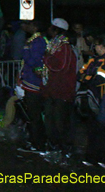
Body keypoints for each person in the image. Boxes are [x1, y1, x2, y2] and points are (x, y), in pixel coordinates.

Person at [78, 33, 105, 169]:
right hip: (92, 99)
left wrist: (87, 78)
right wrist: (88, 77)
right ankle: (91, 157)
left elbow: (101, 79)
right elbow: (80, 73)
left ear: (101, 46)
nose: (94, 48)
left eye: (95, 45)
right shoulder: (94, 60)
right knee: (92, 130)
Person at [42, 18, 77, 153]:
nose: (49, 29)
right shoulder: (55, 45)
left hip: (61, 90)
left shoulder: (64, 47)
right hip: (53, 89)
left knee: (60, 121)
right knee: (51, 120)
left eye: (51, 27)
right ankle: (54, 145)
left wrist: (47, 58)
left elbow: (61, 67)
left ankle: (64, 148)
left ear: (56, 29)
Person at [19, 19, 47, 152]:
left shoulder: (37, 42)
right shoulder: (37, 41)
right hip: (32, 82)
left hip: (33, 83)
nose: (26, 27)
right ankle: (37, 141)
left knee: (34, 115)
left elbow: (34, 62)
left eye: (28, 24)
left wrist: (25, 50)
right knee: (34, 115)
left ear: (35, 27)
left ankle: (38, 143)